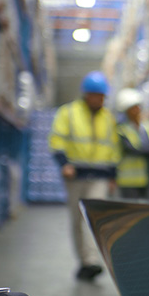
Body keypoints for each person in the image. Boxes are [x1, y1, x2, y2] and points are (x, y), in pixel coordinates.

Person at [48, 71, 121, 281]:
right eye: (96, 95)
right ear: (86, 94)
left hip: (99, 176)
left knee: (94, 218)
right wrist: (64, 164)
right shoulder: (68, 113)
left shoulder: (109, 118)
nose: (99, 100)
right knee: (76, 220)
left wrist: (114, 175)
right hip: (75, 175)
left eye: (102, 96)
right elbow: (56, 140)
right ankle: (84, 260)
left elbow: (114, 147)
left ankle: (92, 261)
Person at [114, 88, 149, 201]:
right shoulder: (121, 130)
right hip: (130, 182)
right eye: (132, 108)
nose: (136, 110)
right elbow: (133, 149)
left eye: (137, 107)